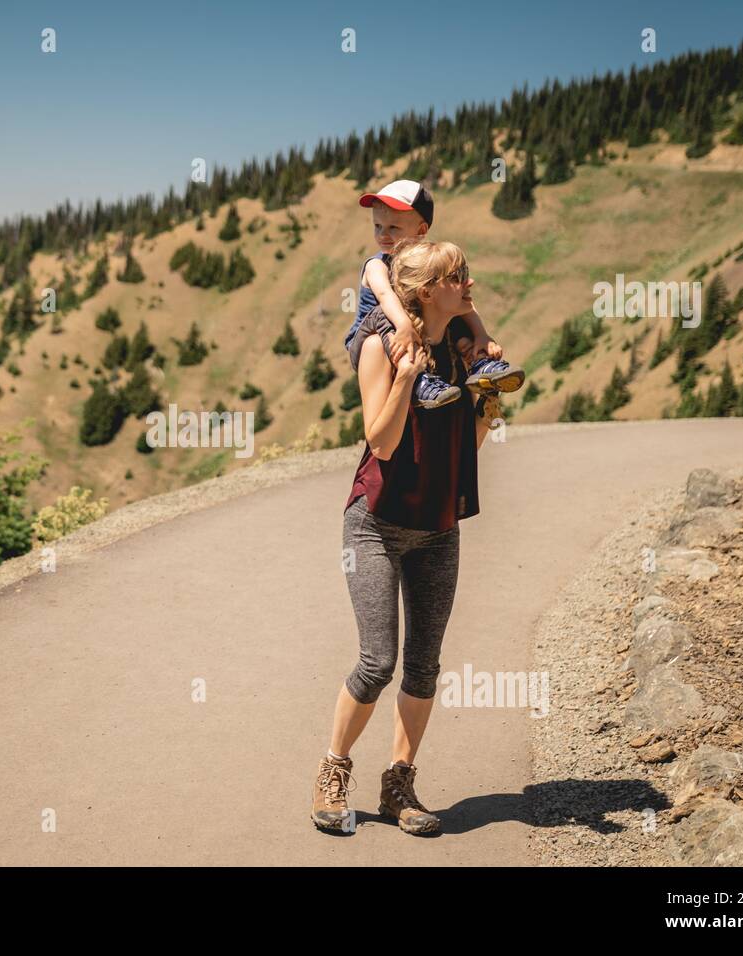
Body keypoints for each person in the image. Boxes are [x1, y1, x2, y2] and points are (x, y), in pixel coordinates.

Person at [312, 238, 490, 836]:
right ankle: (334, 770)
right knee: (377, 660)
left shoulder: (464, 355)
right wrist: (405, 381)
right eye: (454, 276)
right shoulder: (380, 347)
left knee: (423, 666)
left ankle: (398, 784)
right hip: (376, 526)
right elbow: (381, 442)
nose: (467, 282)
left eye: (464, 272)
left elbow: (466, 447)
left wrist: (485, 409)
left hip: (438, 527)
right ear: (422, 291)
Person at [344, 179, 523, 412]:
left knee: (447, 304)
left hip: (409, 330)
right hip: (370, 339)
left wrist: (482, 336)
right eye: (377, 226)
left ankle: (479, 364)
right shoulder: (377, 266)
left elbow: (461, 301)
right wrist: (403, 325)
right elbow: (385, 295)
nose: (383, 235)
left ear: (421, 231)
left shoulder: (426, 264)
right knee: (384, 314)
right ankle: (417, 380)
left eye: (393, 228)